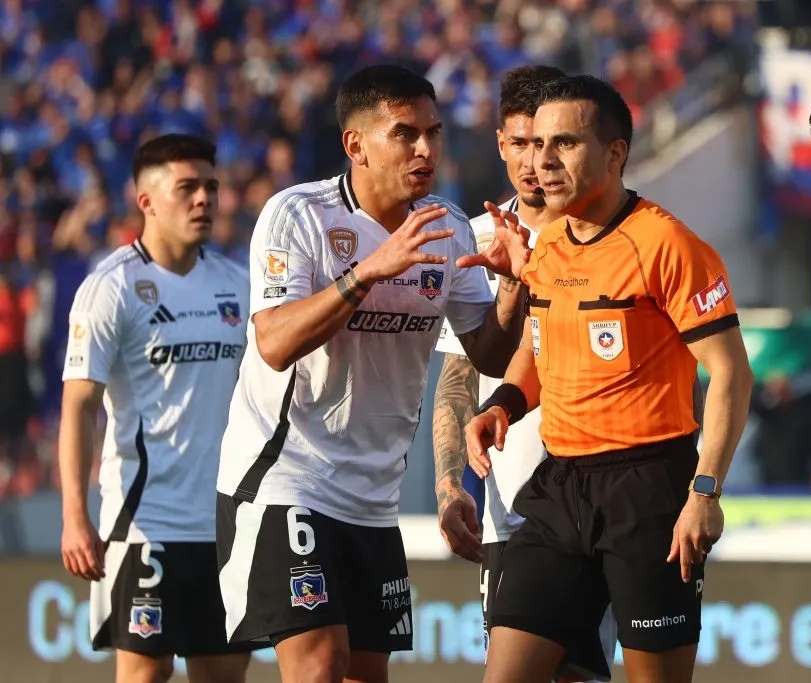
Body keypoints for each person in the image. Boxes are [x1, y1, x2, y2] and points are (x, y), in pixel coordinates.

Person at [214, 64, 527, 683]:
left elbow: (489, 356)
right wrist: (367, 272)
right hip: (286, 479)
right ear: (355, 144)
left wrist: (514, 284)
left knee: (364, 675)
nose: (425, 149)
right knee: (319, 665)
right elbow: (273, 342)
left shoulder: (447, 228)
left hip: (375, 499)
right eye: (405, 134)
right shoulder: (297, 214)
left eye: (433, 133)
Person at [461, 74, 755, 683]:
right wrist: (504, 405)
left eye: (565, 143)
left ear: (615, 152)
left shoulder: (667, 244)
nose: (543, 161)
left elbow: (731, 372)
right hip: (559, 486)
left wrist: (704, 493)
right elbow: (541, 348)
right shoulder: (546, 247)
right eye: (536, 144)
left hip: (648, 490)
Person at [432, 64, 619, 683]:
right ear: (500, 143)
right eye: (520, 143)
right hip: (508, 513)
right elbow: (458, 378)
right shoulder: (473, 239)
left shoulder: (613, 232)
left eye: (547, 144)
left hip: (600, 504)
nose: (534, 162)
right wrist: (449, 484)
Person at [58, 133, 256, 683]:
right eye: (187, 187)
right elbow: (78, 406)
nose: (204, 199)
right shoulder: (111, 288)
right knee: (146, 675)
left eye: (211, 186)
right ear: (146, 200)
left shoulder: (238, 286)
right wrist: (74, 516)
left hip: (226, 524)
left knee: (224, 677)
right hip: (147, 522)